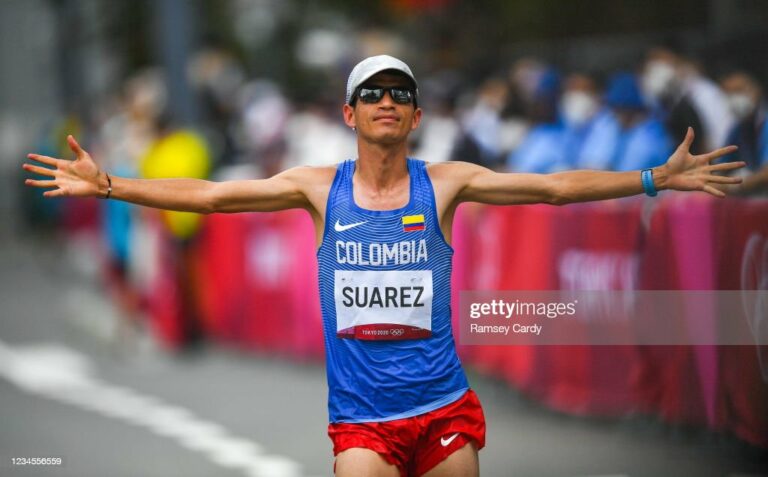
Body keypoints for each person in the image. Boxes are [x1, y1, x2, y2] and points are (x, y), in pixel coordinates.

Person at [23, 55, 745, 477]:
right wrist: (109, 184)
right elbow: (211, 196)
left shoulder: (448, 183)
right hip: (363, 424)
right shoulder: (316, 188)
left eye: (401, 93)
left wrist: (654, 177)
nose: (387, 101)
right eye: (371, 93)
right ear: (350, 114)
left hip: (444, 409)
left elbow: (554, 188)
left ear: (416, 116)